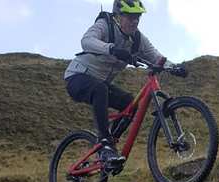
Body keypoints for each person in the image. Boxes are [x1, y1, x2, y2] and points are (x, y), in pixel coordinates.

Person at [64, 0, 186, 169]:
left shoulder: (137, 39)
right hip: (77, 77)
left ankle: (110, 145)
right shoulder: (105, 24)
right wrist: (111, 48)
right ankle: (105, 143)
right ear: (118, 15)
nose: (134, 21)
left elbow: (156, 57)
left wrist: (175, 67)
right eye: (130, 16)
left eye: (137, 16)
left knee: (130, 103)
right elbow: (86, 41)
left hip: (102, 84)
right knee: (100, 89)